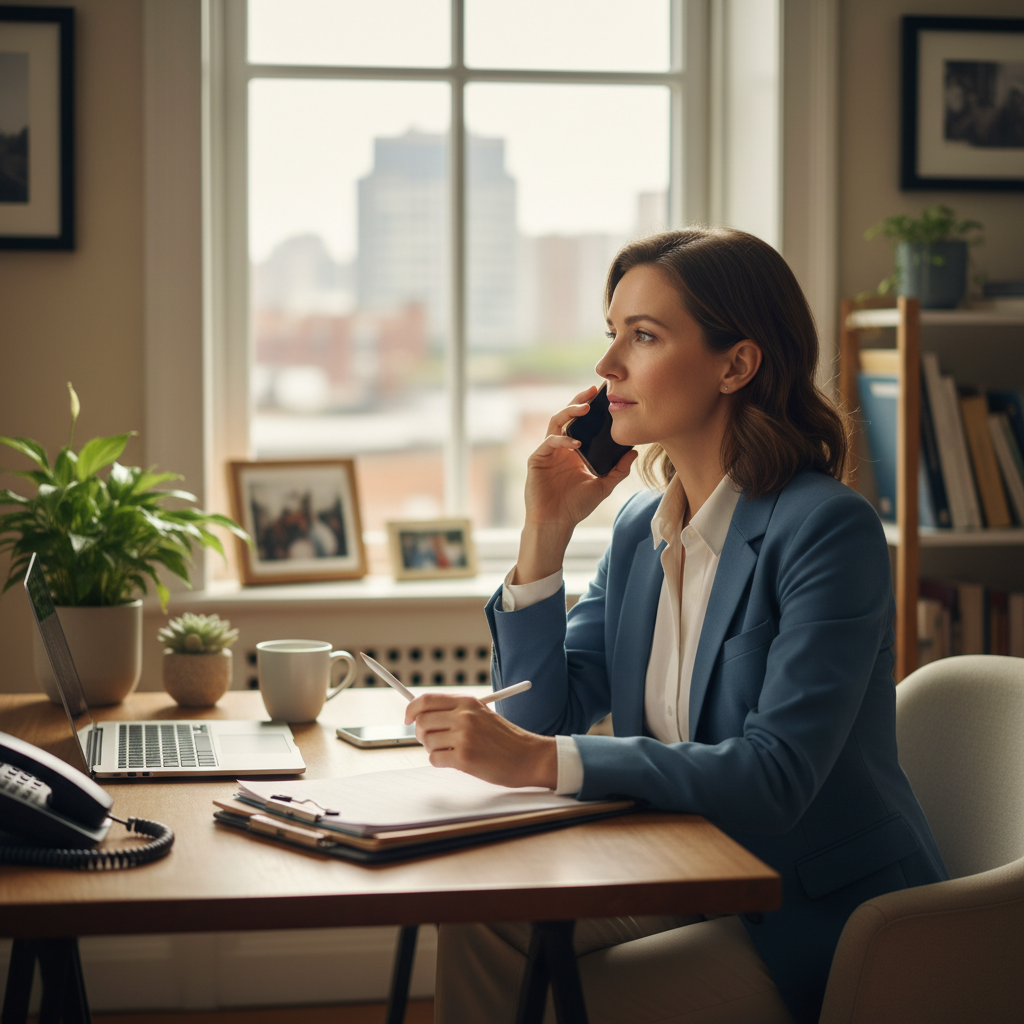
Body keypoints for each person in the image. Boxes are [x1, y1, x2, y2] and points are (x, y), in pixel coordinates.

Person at [404, 228, 948, 1024]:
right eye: (612, 335)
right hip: (677, 864)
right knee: (482, 913)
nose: (607, 368)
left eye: (644, 337)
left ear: (737, 364)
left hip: (803, 907)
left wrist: (540, 760)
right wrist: (544, 536)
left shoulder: (828, 530)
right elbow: (539, 717)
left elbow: (772, 780)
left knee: (568, 995)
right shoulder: (638, 530)